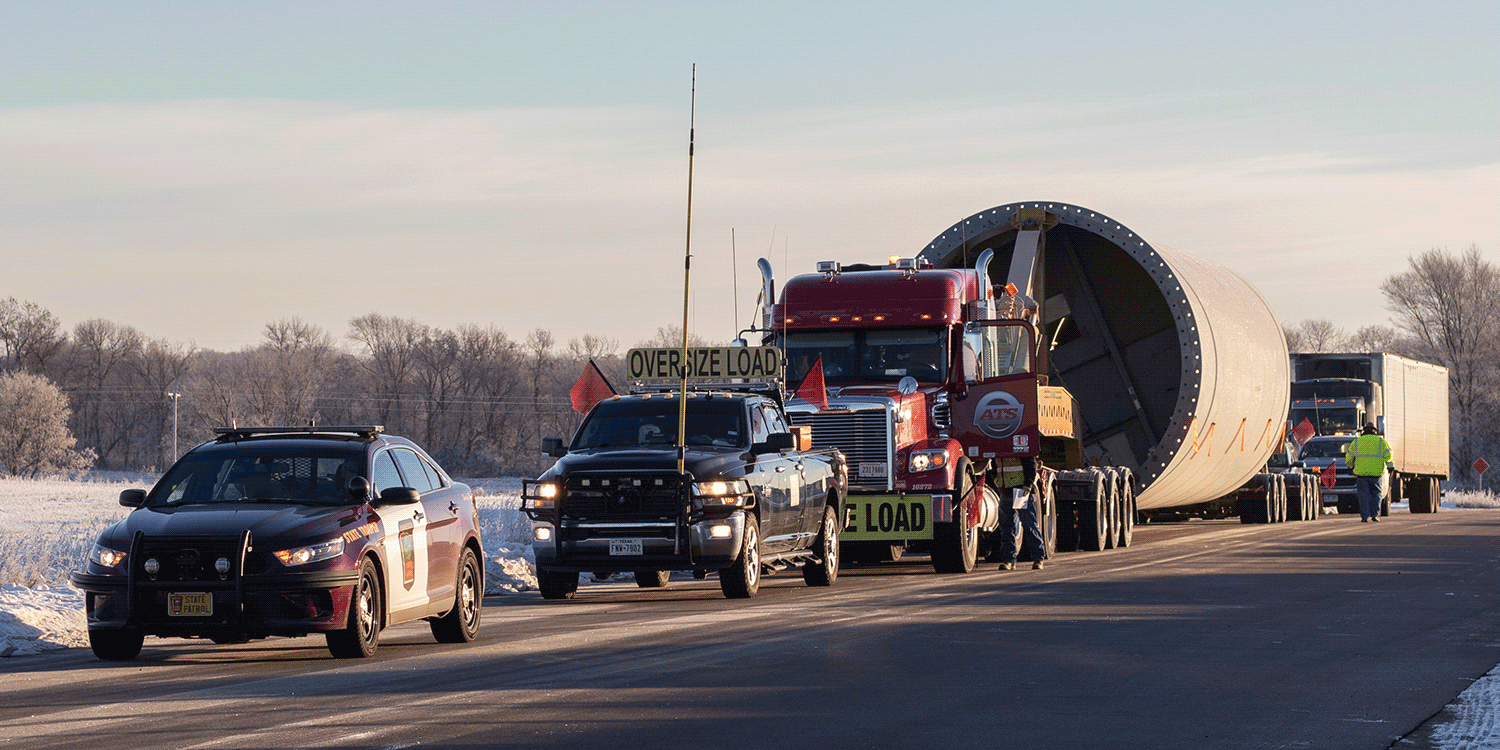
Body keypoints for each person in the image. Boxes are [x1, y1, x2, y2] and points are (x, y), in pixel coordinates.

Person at [1344, 423, 1393, 522]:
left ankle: (1364, 517)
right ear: (1375, 431)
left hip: (1362, 475)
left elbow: (1349, 456)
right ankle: (1375, 515)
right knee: (1377, 495)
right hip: (1376, 474)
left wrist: (1350, 467)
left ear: (1364, 431)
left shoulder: (1357, 442)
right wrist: (1390, 467)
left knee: (1363, 496)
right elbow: (1388, 455)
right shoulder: (1381, 442)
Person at [997, 483, 1047, 571]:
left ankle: (1038, 559)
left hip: (1022, 490)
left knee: (1029, 525)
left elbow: (1031, 469)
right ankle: (1009, 560)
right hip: (1006, 491)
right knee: (1006, 527)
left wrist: (1028, 483)